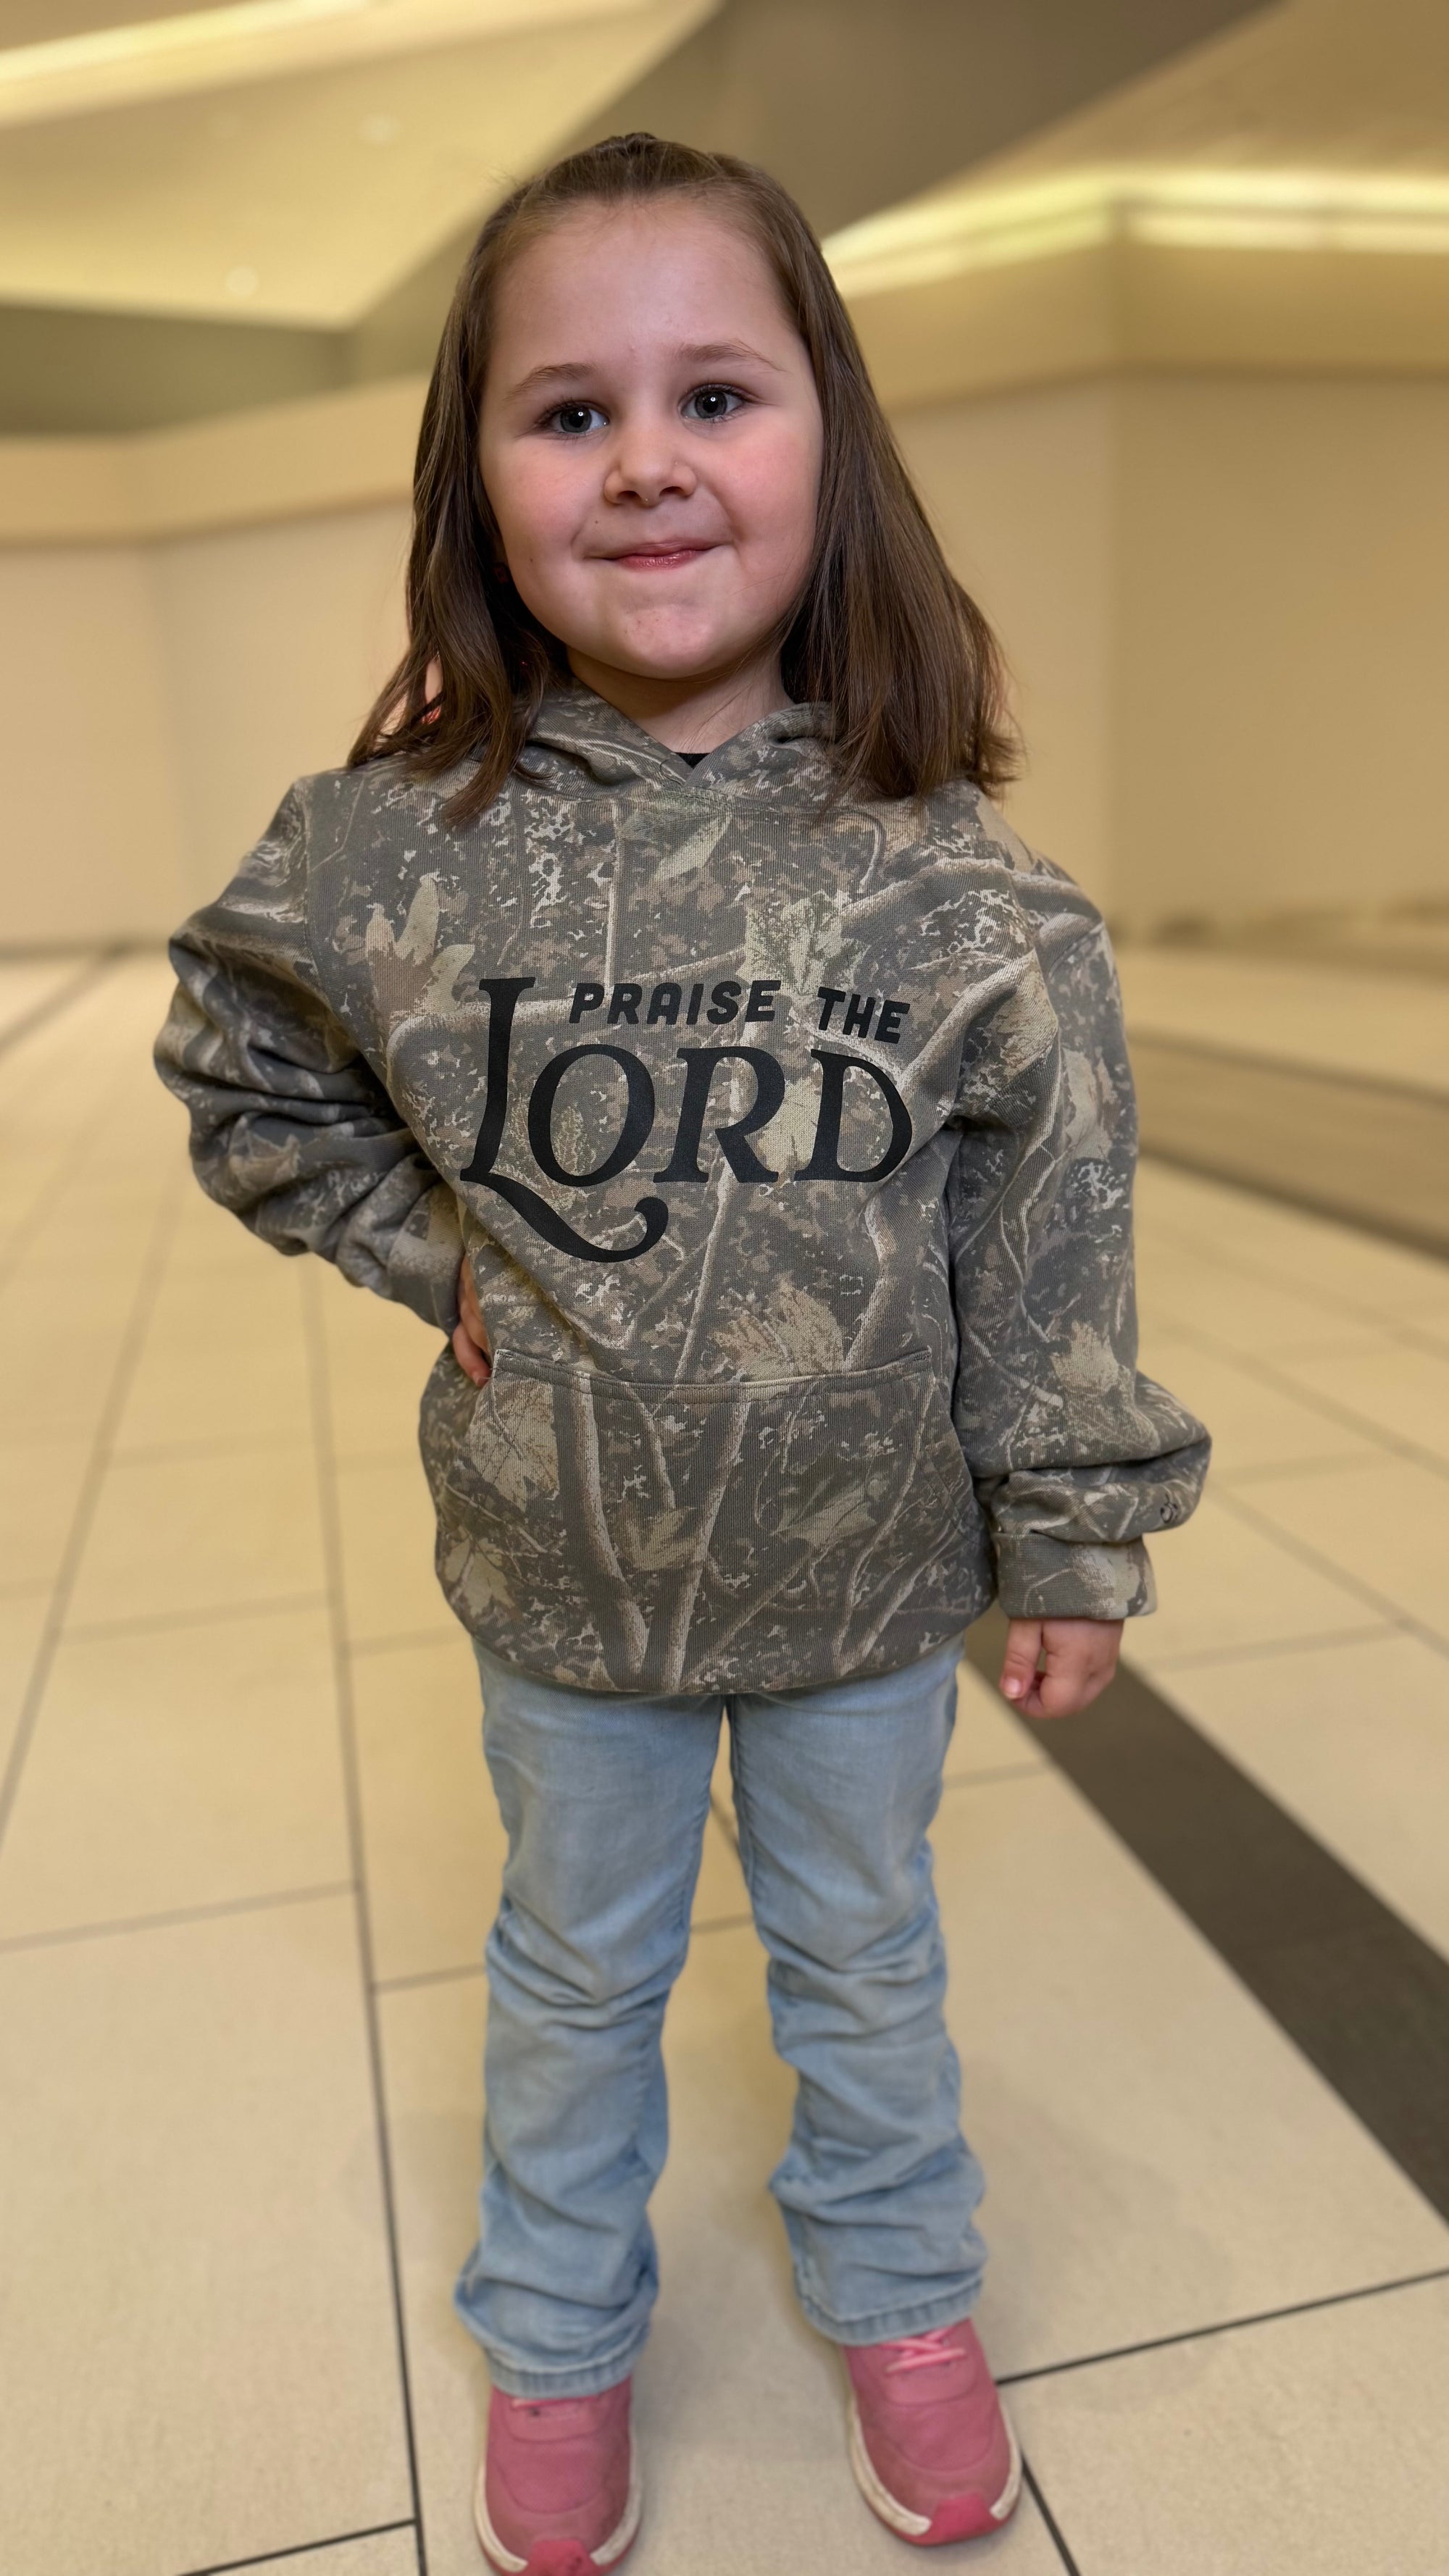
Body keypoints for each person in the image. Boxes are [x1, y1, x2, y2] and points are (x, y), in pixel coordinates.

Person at [156, 131, 1208, 2573]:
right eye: (571, 412)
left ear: (830, 438)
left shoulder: (965, 886)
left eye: (714, 394)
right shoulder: (394, 843)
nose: (645, 459)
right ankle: (557, 2324)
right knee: (574, 1972)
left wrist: (1074, 1531)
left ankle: (905, 2290)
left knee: (865, 1959)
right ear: (482, 478)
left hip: (867, 1594)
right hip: (570, 1596)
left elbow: (1054, 1231)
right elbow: (239, 1064)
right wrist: (433, 1248)